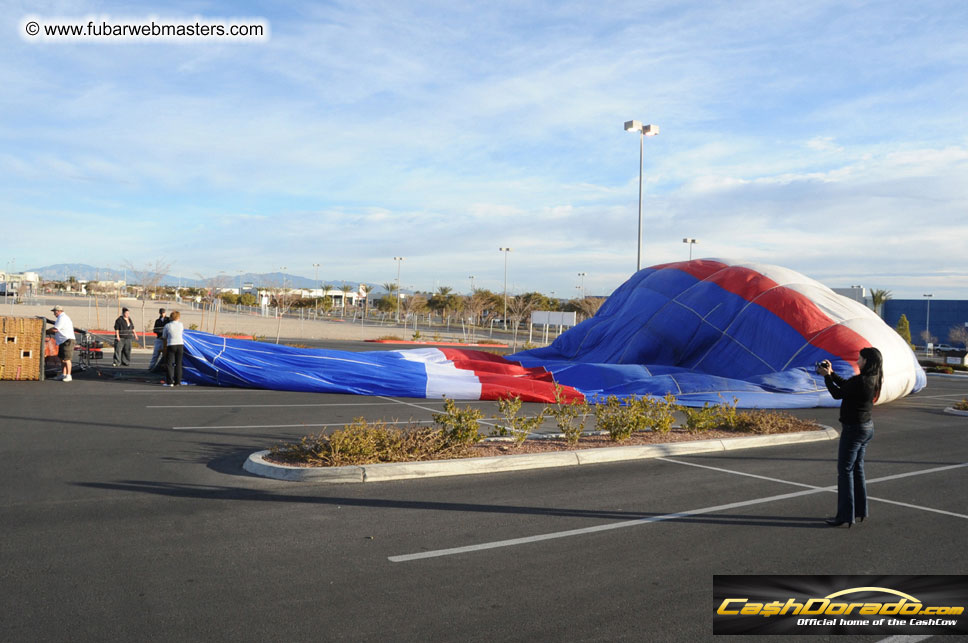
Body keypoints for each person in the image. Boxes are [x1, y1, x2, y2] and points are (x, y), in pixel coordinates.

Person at [818, 347, 884, 528]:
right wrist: (832, 373)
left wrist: (826, 377)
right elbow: (847, 386)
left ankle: (845, 515)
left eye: (860, 358)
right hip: (866, 427)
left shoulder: (861, 381)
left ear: (867, 361)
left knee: (845, 471)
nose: (857, 361)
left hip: (854, 429)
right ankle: (860, 510)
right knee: (857, 469)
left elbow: (837, 393)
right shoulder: (873, 379)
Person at [49, 305, 75, 382]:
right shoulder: (60, 318)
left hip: (67, 340)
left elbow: (55, 329)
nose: (54, 313)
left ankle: (69, 375)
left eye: (54, 312)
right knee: (62, 358)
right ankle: (63, 374)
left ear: (58, 311)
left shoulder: (62, 318)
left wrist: (46, 331)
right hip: (62, 341)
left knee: (67, 359)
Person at [162, 310, 185, 386]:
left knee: (169, 364)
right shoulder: (181, 325)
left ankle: (170, 382)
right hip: (180, 344)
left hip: (171, 344)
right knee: (178, 364)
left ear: (171, 317)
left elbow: (164, 336)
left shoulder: (168, 325)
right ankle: (178, 381)